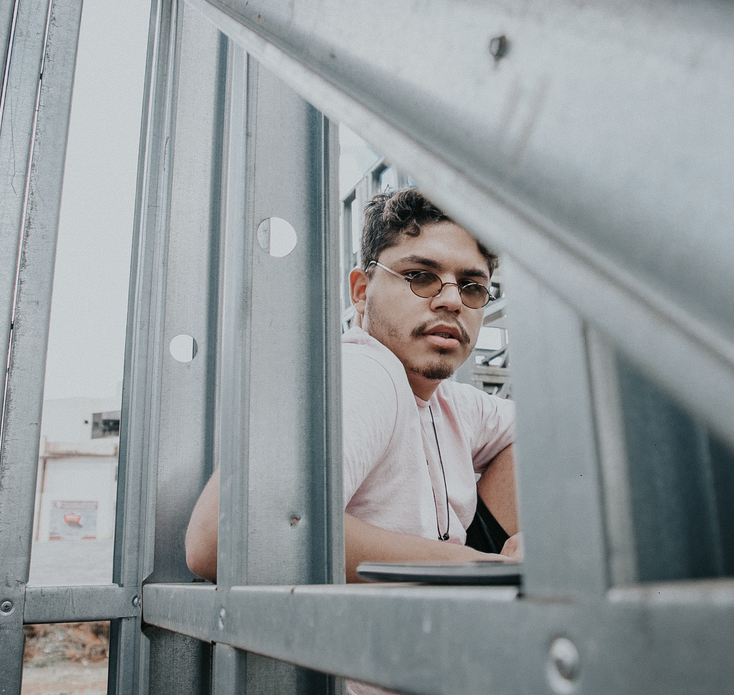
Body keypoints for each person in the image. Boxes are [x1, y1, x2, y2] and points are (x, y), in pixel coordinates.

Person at [185, 187, 522, 586]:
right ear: (362, 292)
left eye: (471, 286)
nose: (452, 300)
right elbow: (223, 537)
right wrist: (479, 566)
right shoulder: (367, 372)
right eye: (420, 276)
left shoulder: (452, 402)